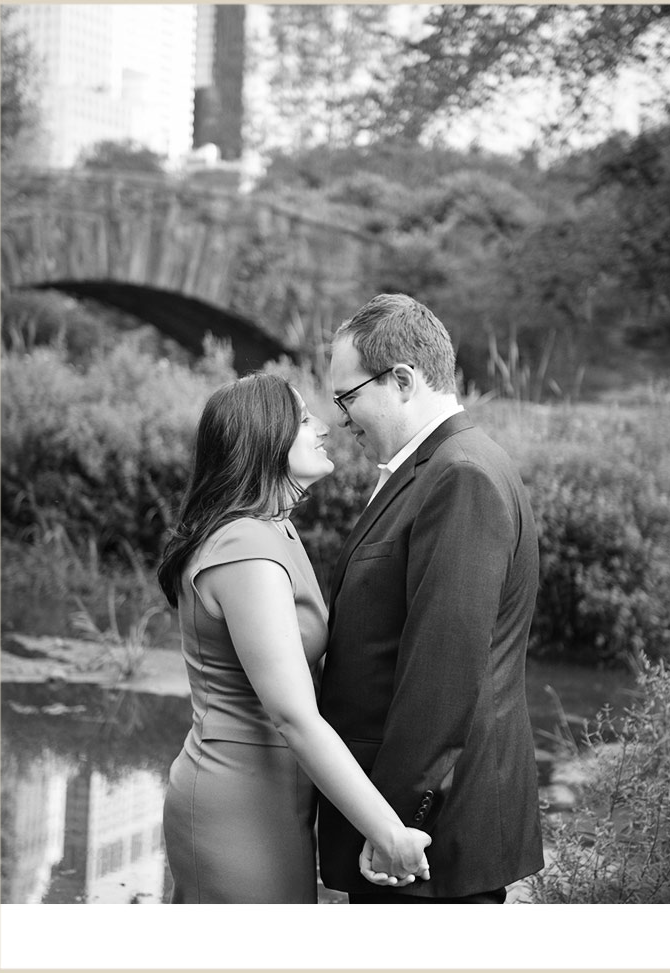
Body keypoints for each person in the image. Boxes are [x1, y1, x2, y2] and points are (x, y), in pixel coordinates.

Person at [158, 374, 432, 903]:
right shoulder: (245, 549)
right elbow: (293, 714)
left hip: (277, 793)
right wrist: (387, 831)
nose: (323, 426)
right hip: (238, 799)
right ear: (266, 439)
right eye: (303, 418)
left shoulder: (272, 529)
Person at [317, 293, 544, 903]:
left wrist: (390, 823)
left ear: (401, 381)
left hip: (423, 839)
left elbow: (443, 672)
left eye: (348, 398)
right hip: (415, 831)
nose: (340, 418)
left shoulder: (460, 475)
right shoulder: (436, 467)